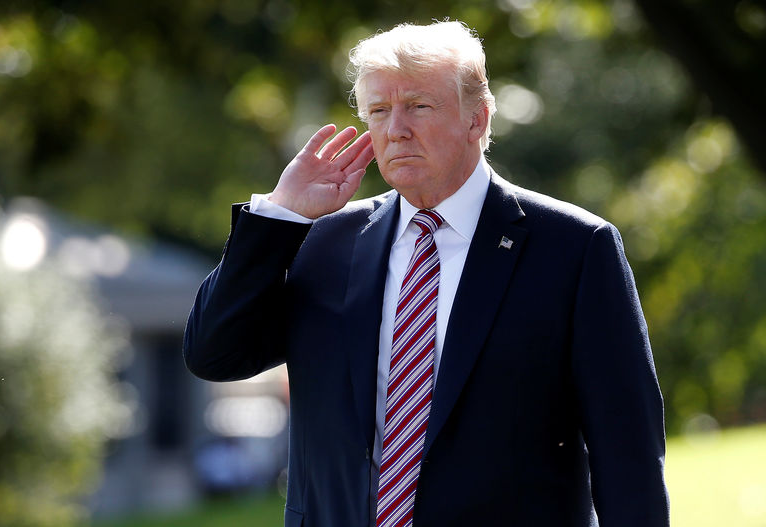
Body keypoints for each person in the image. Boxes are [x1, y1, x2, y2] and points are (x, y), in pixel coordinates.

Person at [184, 20, 669, 527]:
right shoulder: (323, 242)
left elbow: (628, 454)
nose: (396, 128)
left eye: (418, 106)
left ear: (477, 120)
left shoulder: (574, 247)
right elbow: (214, 354)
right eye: (378, 111)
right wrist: (279, 215)